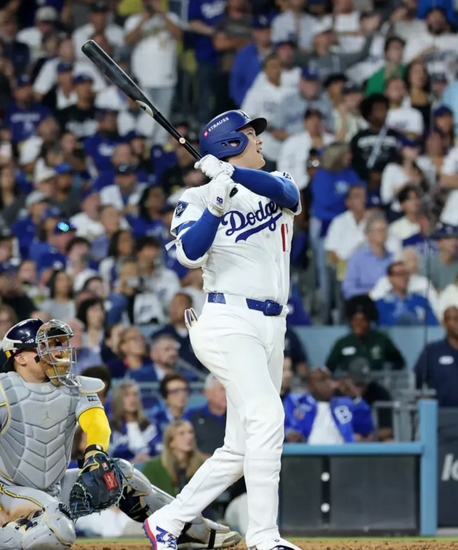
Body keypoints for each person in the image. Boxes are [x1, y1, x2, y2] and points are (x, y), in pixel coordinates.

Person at [146, 109, 302, 550]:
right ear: (230, 141)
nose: (259, 142)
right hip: (227, 320)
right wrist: (215, 201)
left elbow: (287, 192)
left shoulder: (273, 182)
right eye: (250, 135)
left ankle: (168, 520)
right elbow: (189, 255)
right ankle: (264, 537)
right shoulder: (194, 199)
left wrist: (230, 173)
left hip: (273, 324)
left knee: (238, 448)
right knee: (268, 416)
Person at [0, 319, 239, 550]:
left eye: (57, 344)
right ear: (20, 357)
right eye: (46, 346)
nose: (59, 352)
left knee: (121, 473)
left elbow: (96, 421)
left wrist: (95, 450)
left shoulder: (72, 384)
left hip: (52, 486)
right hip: (7, 491)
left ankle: (193, 531)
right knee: (57, 532)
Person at [283, 366, 374, 443]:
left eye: (329, 379)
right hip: (307, 457)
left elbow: (365, 429)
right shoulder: (297, 402)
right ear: (309, 385)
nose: (328, 384)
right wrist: (291, 434)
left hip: (341, 457)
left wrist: (356, 399)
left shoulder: (344, 404)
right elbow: (289, 428)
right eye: (322, 380)